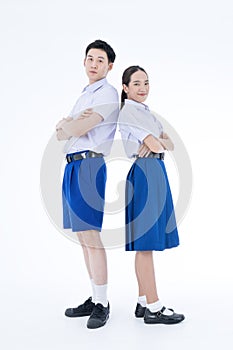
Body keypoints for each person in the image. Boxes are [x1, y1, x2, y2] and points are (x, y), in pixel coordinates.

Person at [56, 40, 119, 329]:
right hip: (72, 165)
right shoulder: (85, 95)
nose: (94, 64)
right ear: (84, 62)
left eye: (100, 60)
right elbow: (61, 135)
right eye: (90, 58)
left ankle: (103, 304)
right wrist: (69, 125)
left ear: (109, 66)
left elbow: (75, 129)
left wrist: (69, 124)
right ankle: (96, 298)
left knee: (91, 237)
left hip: (89, 165)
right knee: (82, 238)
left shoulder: (106, 92)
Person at [119, 65, 185, 325]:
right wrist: (155, 141)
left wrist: (157, 141)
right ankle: (155, 308)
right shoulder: (128, 112)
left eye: (146, 83)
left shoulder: (145, 112)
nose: (143, 88)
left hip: (155, 168)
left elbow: (169, 142)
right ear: (125, 88)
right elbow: (160, 143)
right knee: (146, 243)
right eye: (136, 83)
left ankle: (143, 301)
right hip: (146, 171)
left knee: (146, 242)